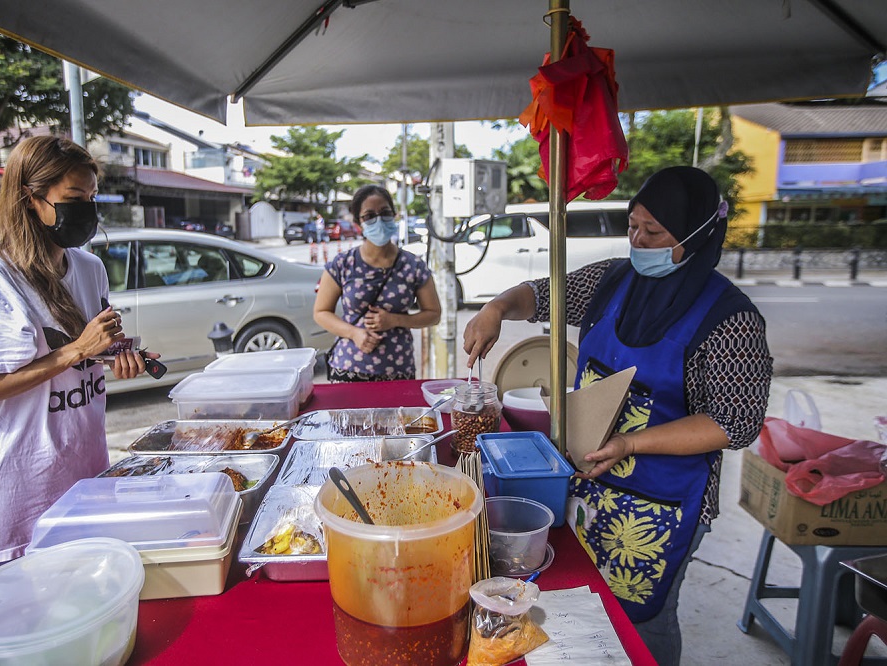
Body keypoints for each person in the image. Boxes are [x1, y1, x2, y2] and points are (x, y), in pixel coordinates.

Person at [463, 167, 773, 665]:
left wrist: (631, 443)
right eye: (632, 226)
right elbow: (540, 294)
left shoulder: (732, 320)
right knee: (582, 599)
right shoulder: (611, 280)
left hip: (662, 503)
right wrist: (497, 307)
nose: (638, 240)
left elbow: (734, 423)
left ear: (696, 235)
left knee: (646, 617)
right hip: (588, 483)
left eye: (653, 233)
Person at [0, 136, 159, 600]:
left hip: (79, 481)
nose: (87, 210)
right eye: (74, 199)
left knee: (73, 629)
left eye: (92, 199)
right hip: (9, 496)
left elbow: (90, 352)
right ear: (31, 199)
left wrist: (118, 356)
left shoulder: (89, 268)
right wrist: (74, 351)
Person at [314, 185, 441, 382]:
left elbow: (433, 314)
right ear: (358, 223)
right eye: (369, 216)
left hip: (399, 371)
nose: (379, 220)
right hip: (349, 370)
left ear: (394, 215)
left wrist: (396, 320)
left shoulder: (413, 265)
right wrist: (354, 333)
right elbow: (321, 312)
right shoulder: (342, 264)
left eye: (385, 213)